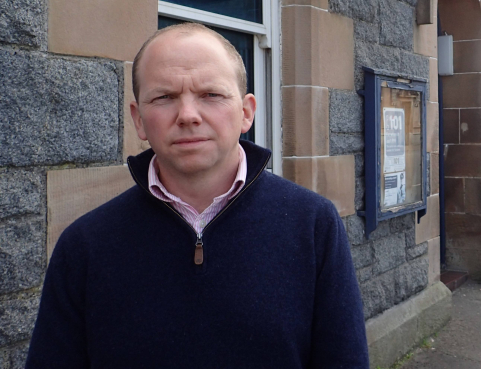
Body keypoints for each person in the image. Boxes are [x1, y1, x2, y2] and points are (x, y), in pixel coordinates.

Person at [26, 23, 369, 368]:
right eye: (164, 97)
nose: (188, 115)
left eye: (211, 95)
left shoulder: (312, 226)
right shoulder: (84, 246)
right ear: (139, 119)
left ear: (246, 112)